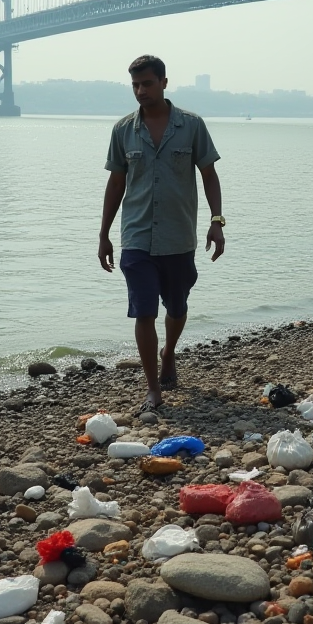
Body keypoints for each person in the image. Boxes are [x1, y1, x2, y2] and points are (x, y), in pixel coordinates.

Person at [98, 54, 225, 413]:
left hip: (178, 236)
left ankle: (169, 351)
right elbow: (116, 182)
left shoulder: (192, 126)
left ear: (164, 82)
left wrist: (217, 221)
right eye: (135, 85)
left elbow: (209, 175)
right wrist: (104, 233)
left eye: (147, 83)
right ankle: (153, 388)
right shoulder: (123, 130)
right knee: (143, 311)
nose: (140, 91)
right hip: (136, 236)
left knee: (178, 305)